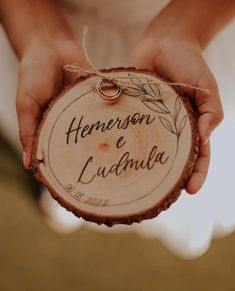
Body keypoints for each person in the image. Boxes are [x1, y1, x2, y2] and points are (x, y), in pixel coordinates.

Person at [0, 0, 234, 256]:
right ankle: (66, 200)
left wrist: (185, 28)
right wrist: (38, 35)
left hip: (189, 33)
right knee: (62, 156)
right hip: (53, 33)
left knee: (163, 176)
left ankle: (147, 213)